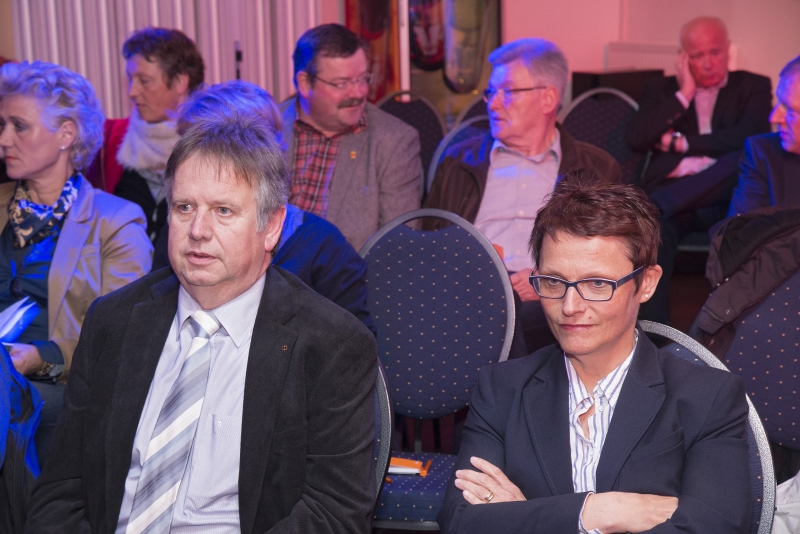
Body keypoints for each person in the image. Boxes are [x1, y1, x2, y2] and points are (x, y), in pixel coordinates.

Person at [25, 110, 378, 533]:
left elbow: (334, 514)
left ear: (271, 226)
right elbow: (61, 489)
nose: (198, 230)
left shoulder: (331, 344)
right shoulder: (113, 321)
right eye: (184, 207)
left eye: (223, 210)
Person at [437, 181, 751, 534]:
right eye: (554, 282)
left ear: (647, 283)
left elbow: (715, 527)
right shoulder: (502, 389)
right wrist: (602, 510)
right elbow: (461, 523)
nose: (570, 306)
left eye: (597, 284)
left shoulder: (707, 397)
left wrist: (526, 516)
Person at [424, 38, 621, 355]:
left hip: (552, 301)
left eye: (507, 92)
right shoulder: (459, 162)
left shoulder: (596, 169)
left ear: (548, 99)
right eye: (491, 92)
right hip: (468, 295)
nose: (492, 104)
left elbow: (609, 258)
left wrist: (550, 279)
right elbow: (429, 242)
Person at [0, 61, 152, 461]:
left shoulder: (115, 220)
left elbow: (122, 336)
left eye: (19, 126)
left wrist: (41, 356)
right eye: (2, 125)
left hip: (62, 387)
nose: (3, 139)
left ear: (66, 134)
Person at [152, 80, 376, 334]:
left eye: (217, 150)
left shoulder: (323, 247)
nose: (197, 229)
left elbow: (354, 345)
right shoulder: (178, 234)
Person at [626, 17, 771, 323]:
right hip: (675, 203)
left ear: (727, 50)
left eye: (714, 52)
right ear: (683, 58)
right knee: (654, 235)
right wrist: (685, 94)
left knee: (740, 157)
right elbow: (636, 137)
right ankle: (655, 337)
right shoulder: (662, 90)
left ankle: (656, 206)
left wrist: (681, 143)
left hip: (722, 198)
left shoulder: (752, 86)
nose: (708, 63)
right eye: (697, 55)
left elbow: (749, 137)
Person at [281, 23, 422, 250]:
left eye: (362, 79)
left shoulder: (393, 142)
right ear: (305, 83)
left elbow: (400, 249)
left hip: (346, 272)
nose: (358, 93)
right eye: (341, 83)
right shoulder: (264, 129)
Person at [86, 27, 205, 242]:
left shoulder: (211, 147)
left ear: (180, 82)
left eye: (144, 80)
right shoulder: (109, 140)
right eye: (130, 79)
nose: (132, 92)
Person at [729, 54, 800, 215]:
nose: (774, 118)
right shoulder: (763, 153)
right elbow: (741, 228)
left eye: (790, 111)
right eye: (779, 103)